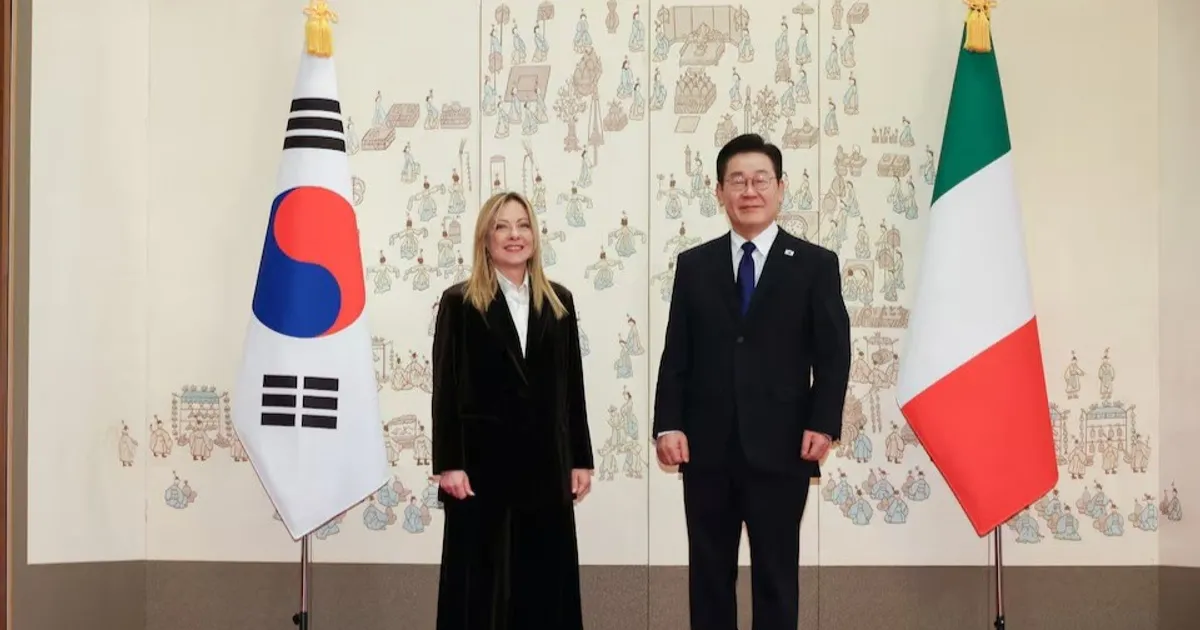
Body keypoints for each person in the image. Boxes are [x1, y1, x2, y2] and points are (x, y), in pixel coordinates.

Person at [653, 133, 851, 630]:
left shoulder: (815, 265)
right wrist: (668, 424)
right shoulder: (694, 266)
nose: (749, 191)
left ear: (780, 188)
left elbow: (833, 355)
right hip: (706, 451)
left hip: (783, 449)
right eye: (737, 181)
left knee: (776, 580)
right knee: (709, 579)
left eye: (761, 180)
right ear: (719, 191)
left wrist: (823, 423)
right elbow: (677, 352)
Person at [431, 191, 595, 630]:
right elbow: (445, 389)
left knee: (544, 588)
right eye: (501, 226)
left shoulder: (559, 302)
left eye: (522, 225)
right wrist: (449, 464)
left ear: (534, 236)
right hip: (481, 471)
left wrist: (580, 459)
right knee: (482, 590)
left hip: (546, 468)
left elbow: (572, 387)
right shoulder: (460, 302)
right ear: (485, 238)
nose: (514, 235)